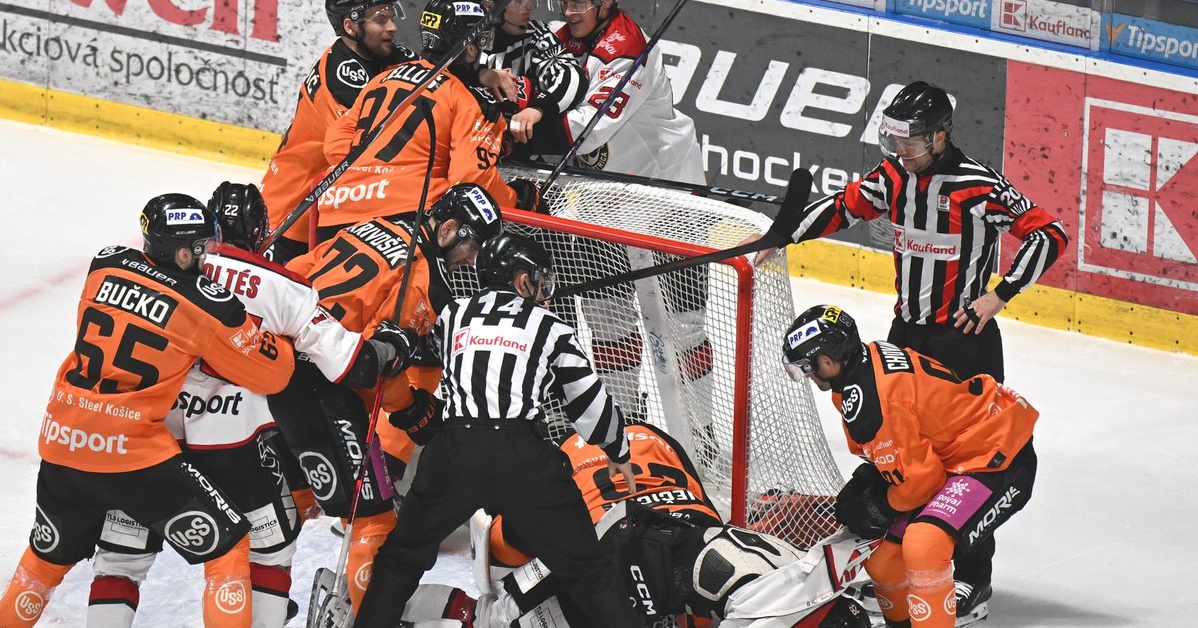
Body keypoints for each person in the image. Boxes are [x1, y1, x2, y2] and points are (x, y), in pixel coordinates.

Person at [766, 81, 1067, 616]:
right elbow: (844, 208)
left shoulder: (977, 185)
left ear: (940, 135)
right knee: (904, 449)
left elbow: (1050, 235)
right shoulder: (895, 175)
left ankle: (971, 579)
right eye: (894, 139)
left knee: (970, 456)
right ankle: (906, 558)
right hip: (908, 329)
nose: (899, 150)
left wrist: (996, 296)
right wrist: (783, 233)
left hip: (964, 338)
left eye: (909, 141)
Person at [84, 183, 417, 628]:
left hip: (149, 434)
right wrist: (389, 349)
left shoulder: (126, 268)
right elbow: (350, 365)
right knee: (265, 552)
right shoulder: (277, 282)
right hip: (233, 442)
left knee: (120, 559)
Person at [0, 194, 297, 628]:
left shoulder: (106, 264)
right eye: (204, 249)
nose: (211, 256)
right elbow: (275, 375)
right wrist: (271, 330)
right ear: (181, 252)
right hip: (133, 456)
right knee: (229, 546)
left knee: (42, 565)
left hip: (62, 440)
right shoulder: (206, 304)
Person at [353, 232, 641, 628]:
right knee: (589, 572)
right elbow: (589, 404)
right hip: (521, 459)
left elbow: (415, 352)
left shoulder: (453, 314)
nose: (545, 293)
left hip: (452, 453)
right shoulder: (551, 327)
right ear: (522, 281)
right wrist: (618, 451)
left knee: (400, 559)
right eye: (540, 281)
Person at [274, 182, 506, 613]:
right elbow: (374, 365)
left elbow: (296, 273)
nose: (472, 259)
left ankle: (265, 601)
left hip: (273, 364)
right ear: (449, 228)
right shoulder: (426, 284)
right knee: (374, 521)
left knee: (293, 496)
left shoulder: (375, 224)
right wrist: (411, 408)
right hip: (322, 390)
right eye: (472, 245)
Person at [540, 0, 715, 456]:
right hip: (603, 202)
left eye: (579, 2)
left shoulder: (627, 52)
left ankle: (700, 432)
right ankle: (630, 426)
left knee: (685, 327)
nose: (569, 11)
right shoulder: (562, 40)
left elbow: (580, 130)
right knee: (609, 320)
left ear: (607, 0)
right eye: (564, 1)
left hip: (669, 197)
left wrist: (515, 129)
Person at [781, 304, 1039, 628]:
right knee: (883, 559)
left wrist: (880, 504)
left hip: (999, 454)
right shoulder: (866, 360)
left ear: (828, 362)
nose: (808, 376)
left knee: (924, 544)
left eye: (807, 367)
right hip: (962, 450)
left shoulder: (871, 403)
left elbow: (923, 483)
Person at [476, 421, 874, 628]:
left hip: (605, 544)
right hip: (676, 532)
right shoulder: (656, 442)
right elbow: (702, 512)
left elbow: (501, 545)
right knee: (721, 566)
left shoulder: (556, 464)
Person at [317, 0, 541, 240]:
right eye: (481, 42)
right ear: (468, 49)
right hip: (404, 217)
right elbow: (471, 179)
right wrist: (516, 199)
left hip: (336, 210)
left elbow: (334, 147)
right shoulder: (470, 100)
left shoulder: (383, 78)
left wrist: (371, 176)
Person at [260, 0, 416, 262]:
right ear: (349, 26)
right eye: (381, 20)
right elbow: (353, 156)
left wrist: (481, 74)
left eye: (392, 16)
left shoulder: (391, 57)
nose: (392, 27)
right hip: (293, 213)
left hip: (330, 209)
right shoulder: (342, 77)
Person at [460, 0, 587, 147]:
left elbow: (572, 75)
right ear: (490, 5)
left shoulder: (535, 34)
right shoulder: (458, 32)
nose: (529, 6)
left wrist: (538, 108)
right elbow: (434, 78)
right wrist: (480, 75)